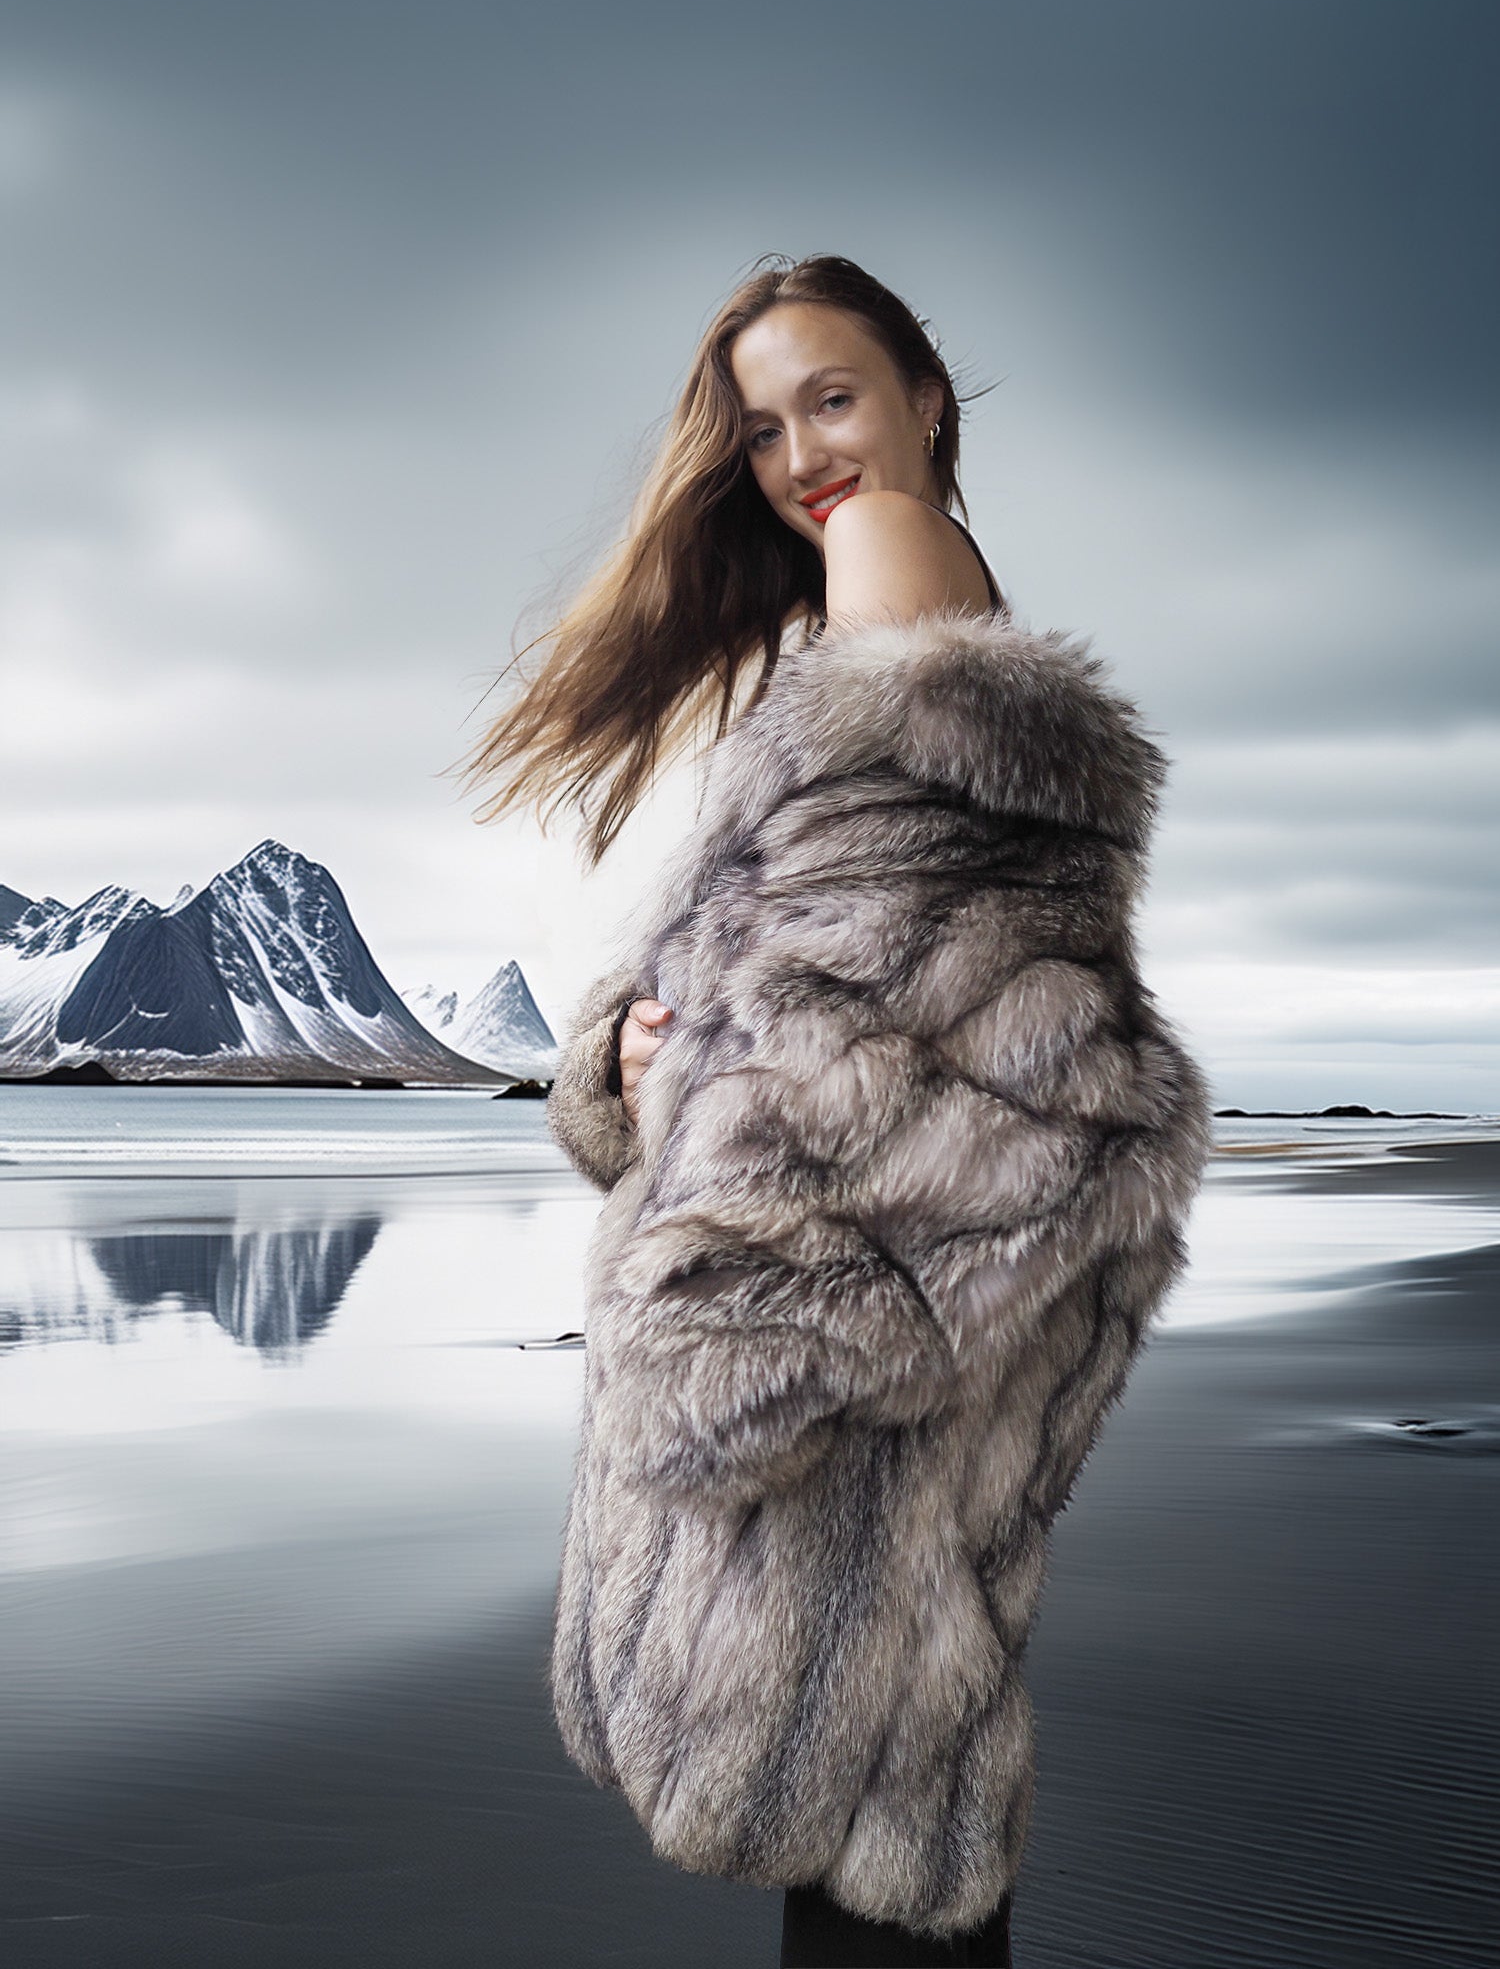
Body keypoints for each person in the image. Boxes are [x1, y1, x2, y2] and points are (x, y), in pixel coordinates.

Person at [462, 253, 1211, 1966]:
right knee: (908, 1791)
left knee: (875, 1821)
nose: (804, 453)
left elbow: (875, 1029)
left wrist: (740, 1316)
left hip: (843, 1333)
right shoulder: (896, 621)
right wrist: (630, 1067)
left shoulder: (890, 567)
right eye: (761, 427)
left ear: (926, 398)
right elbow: (832, 978)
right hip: (914, 1328)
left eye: (835, 396)